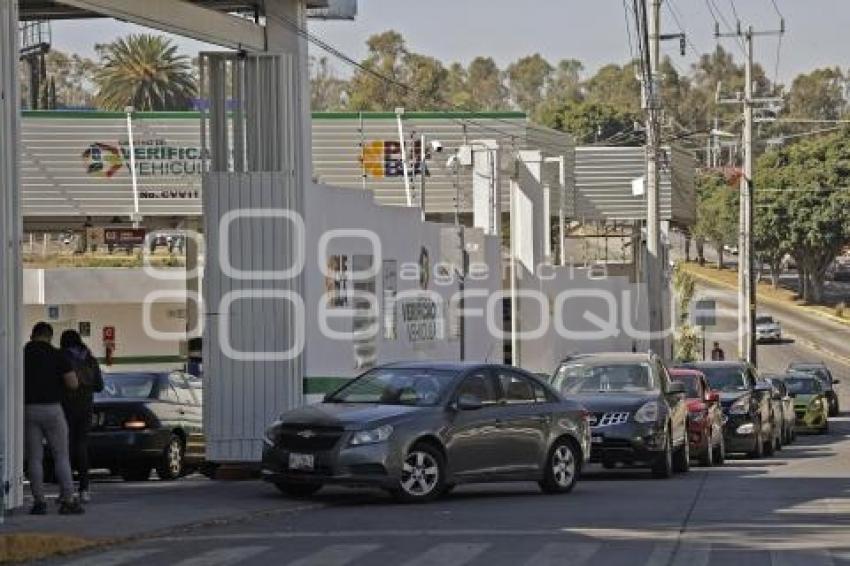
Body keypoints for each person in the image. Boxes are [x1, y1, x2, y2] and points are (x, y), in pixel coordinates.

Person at [24, 322, 84, 515]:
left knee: (34, 457)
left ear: (32, 335)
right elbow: (73, 383)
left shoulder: (21, 354)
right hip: (52, 409)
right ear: (49, 336)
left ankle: (39, 501)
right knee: (61, 455)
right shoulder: (57, 355)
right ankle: (68, 499)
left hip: (27, 409)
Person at [60, 329, 104, 504]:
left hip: (66, 407)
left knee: (66, 447)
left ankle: (66, 490)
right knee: (82, 446)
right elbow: (99, 386)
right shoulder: (91, 359)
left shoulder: (63, 357)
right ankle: (84, 489)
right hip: (86, 407)